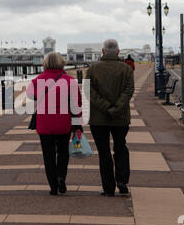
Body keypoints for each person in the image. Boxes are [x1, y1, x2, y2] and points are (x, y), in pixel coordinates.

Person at [27, 52, 82, 196]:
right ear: (62, 62)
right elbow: (77, 106)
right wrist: (78, 125)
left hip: (45, 124)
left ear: (45, 63)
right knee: (63, 153)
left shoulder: (37, 81)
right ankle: (61, 177)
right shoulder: (70, 81)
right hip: (64, 123)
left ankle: (53, 186)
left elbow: (30, 95)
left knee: (48, 156)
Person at [86, 39, 134, 196]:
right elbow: (128, 91)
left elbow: (88, 91)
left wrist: (105, 107)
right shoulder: (126, 69)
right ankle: (122, 181)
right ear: (118, 52)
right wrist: (116, 108)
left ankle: (108, 187)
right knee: (120, 147)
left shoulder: (93, 69)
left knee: (104, 152)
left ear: (103, 51)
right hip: (120, 118)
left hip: (99, 118)